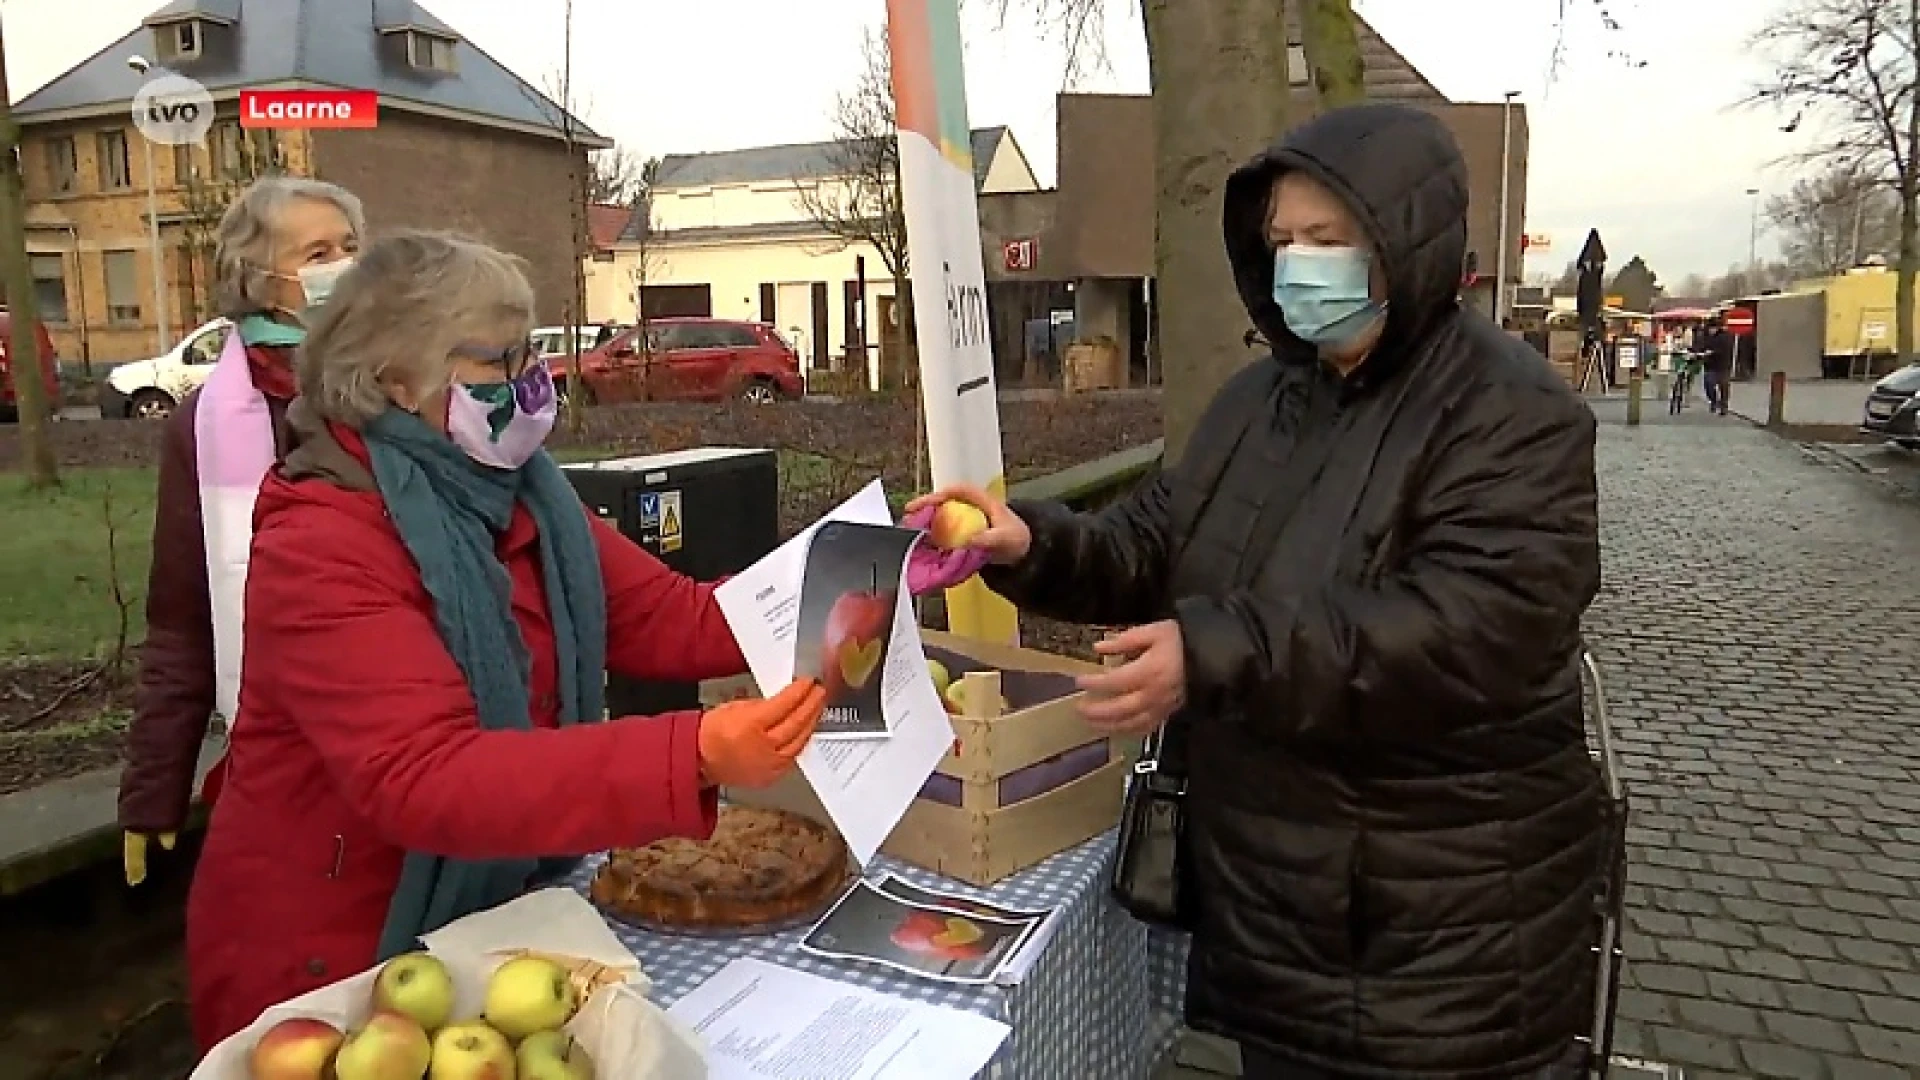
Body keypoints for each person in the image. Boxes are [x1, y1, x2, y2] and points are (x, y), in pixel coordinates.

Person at [911, 103, 1603, 1079]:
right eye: (1281, 240)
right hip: (1283, 923)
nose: (1297, 264)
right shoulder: (1261, 402)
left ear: (1407, 244)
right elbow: (1155, 541)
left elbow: (1471, 630)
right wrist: (1032, 541)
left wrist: (1215, 651)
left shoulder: (1512, 413)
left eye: (1326, 239)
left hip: (1438, 943)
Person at [184, 231, 827, 1052]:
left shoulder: (524, 495)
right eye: (499, 361)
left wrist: (865, 574)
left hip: (480, 934)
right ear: (395, 380)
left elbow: (678, 616)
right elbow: (425, 774)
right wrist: (693, 753)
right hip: (332, 968)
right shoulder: (322, 539)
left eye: (532, 354)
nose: (533, 384)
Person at [118, 176, 364, 888]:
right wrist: (152, 788)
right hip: (285, 752)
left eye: (351, 248)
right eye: (319, 252)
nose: (343, 268)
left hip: (409, 733)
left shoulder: (399, 387)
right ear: (262, 280)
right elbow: (183, 618)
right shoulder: (207, 425)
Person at [1698, 315, 1735, 415]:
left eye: (1712, 328)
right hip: (1710, 366)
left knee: (1723, 386)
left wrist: (1713, 352)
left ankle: (1724, 406)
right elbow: (1700, 346)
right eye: (1709, 328)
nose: (1710, 330)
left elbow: (1726, 349)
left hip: (1723, 365)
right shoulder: (1705, 336)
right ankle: (1713, 401)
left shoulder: (1725, 336)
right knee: (1709, 385)